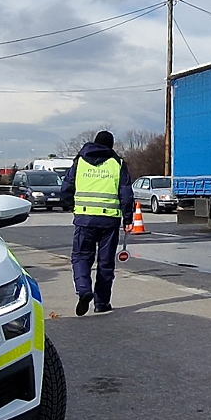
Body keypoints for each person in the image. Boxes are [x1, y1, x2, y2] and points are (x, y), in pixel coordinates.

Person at [60, 130, 134, 316]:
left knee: (81, 256)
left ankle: (84, 289)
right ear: (110, 145)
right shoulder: (117, 163)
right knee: (106, 263)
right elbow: (126, 193)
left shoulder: (80, 161)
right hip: (110, 221)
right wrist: (128, 218)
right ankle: (102, 303)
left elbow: (66, 188)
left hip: (84, 219)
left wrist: (72, 206)